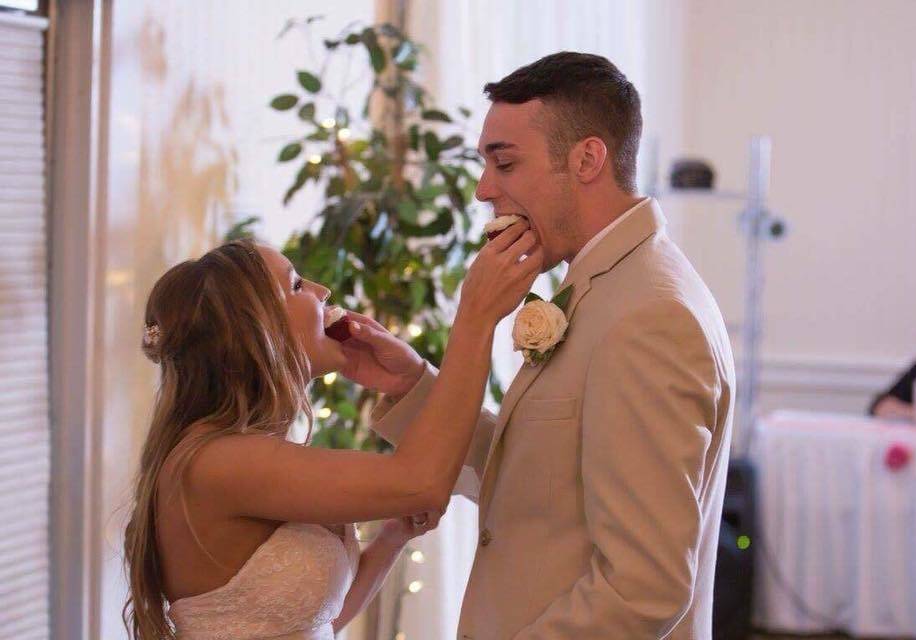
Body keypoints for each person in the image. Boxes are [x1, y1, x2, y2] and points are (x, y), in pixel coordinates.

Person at [343, 52, 736, 639]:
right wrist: (413, 386)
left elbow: (645, 586)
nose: (482, 190)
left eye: (504, 163)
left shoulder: (650, 316)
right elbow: (541, 478)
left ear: (587, 159)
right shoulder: (608, 286)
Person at [122, 229, 542, 640]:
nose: (322, 291)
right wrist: (476, 317)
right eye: (296, 284)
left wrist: (393, 536)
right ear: (255, 327)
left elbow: (319, 620)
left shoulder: (241, 451)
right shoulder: (219, 461)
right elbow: (422, 481)